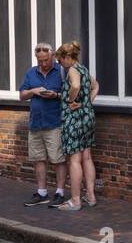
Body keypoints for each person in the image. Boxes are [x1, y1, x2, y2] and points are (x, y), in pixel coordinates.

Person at [18, 42, 68, 207]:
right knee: (38, 159)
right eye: (40, 61)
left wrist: (56, 95)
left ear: (52, 56)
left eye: (46, 60)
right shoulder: (30, 73)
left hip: (54, 123)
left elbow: (70, 95)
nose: (43, 64)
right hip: (35, 124)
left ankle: (60, 192)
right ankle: (42, 192)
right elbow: (22, 95)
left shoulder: (61, 71)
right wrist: (33, 91)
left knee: (58, 159)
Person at [51, 40, 98, 211]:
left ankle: (76, 200)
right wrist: (86, 103)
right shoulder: (83, 69)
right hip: (87, 116)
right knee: (87, 157)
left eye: (60, 60)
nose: (59, 64)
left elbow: (76, 86)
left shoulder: (72, 70)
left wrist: (72, 100)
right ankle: (91, 197)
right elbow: (96, 86)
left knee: (74, 160)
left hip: (74, 119)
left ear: (67, 57)